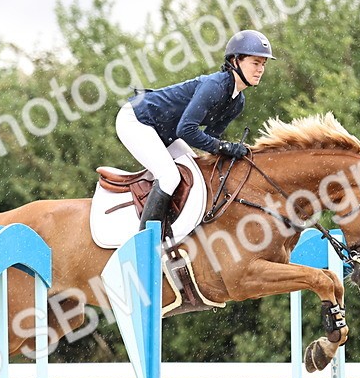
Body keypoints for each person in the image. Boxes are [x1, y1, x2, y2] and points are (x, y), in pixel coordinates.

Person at [115, 29, 275, 231]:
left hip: (165, 132)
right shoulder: (215, 86)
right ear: (235, 61)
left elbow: (210, 138)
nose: (260, 69)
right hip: (137, 119)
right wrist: (225, 146)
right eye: (255, 63)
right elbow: (187, 130)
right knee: (169, 175)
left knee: (197, 172)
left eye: (263, 64)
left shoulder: (237, 102)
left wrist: (230, 152)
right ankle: (146, 241)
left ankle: (179, 228)